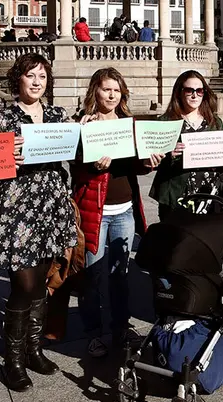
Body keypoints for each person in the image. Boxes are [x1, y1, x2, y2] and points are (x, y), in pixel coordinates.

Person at [0, 53, 78, 392]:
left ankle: (34, 349)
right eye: (30, 76)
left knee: (43, 280)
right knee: (24, 284)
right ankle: (13, 359)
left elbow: (73, 152)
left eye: (42, 77)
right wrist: (7, 157)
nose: (37, 82)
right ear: (17, 79)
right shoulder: (2, 117)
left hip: (51, 204)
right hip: (19, 206)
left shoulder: (58, 115)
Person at [72, 68, 162, 357]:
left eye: (116, 90)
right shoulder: (84, 123)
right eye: (105, 89)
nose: (111, 94)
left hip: (124, 210)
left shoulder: (129, 124)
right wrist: (92, 165)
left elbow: (134, 166)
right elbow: (75, 168)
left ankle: (121, 327)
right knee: (92, 275)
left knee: (120, 273)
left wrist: (149, 162)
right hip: (94, 210)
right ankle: (94, 332)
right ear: (94, 92)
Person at [149, 70, 223, 221]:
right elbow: (152, 161)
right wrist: (168, 154)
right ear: (179, 92)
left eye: (199, 90)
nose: (194, 95)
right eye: (189, 90)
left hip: (210, 193)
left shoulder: (214, 121)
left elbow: (222, 160)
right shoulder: (165, 122)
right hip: (177, 194)